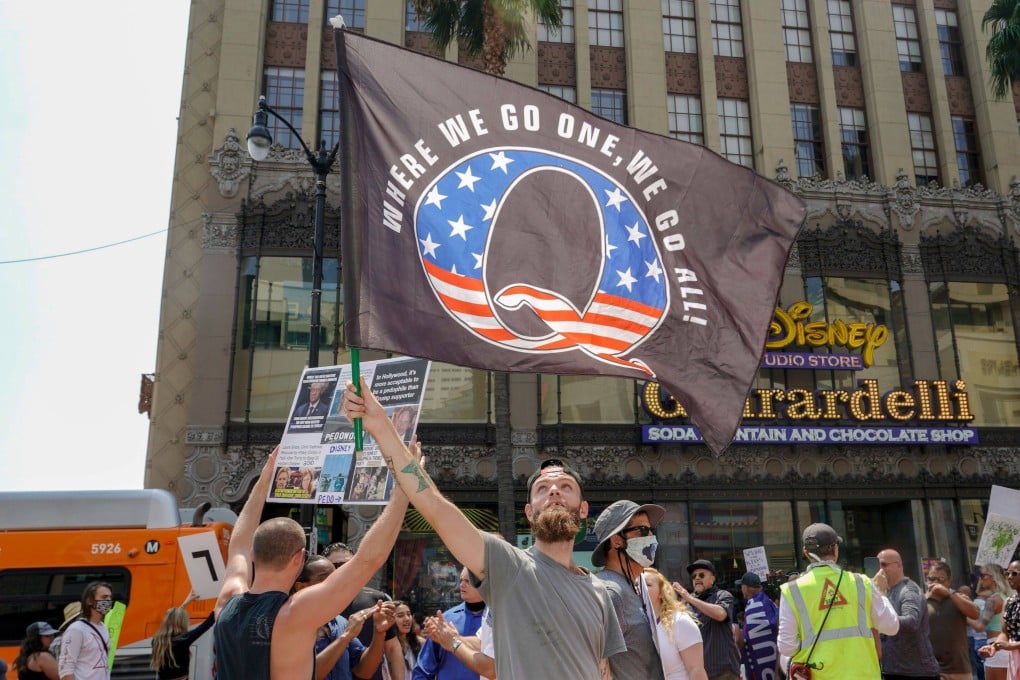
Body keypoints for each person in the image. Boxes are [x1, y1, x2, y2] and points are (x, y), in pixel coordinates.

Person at [342, 379, 626, 680]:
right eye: (543, 488)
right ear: (529, 513)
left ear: (583, 509)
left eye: (566, 486)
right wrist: (381, 426)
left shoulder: (599, 593)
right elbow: (437, 510)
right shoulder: (509, 566)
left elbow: (602, 670)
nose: (554, 491)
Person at [213, 445, 410, 680]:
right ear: (299, 559)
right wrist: (404, 489)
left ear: (253, 555)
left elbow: (238, 545)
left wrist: (265, 480)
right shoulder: (296, 612)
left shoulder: (227, 602)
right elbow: (367, 560)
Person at [777, 523, 899, 679]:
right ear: (835, 549)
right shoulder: (862, 583)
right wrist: (881, 593)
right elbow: (892, 627)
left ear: (805, 552)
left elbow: (786, 648)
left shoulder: (792, 591)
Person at [591, 499, 666, 680]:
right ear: (617, 541)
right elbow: (597, 663)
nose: (651, 537)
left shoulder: (634, 587)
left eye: (651, 531)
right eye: (642, 531)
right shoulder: (610, 593)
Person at [293, 554, 391, 680]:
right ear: (301, 587)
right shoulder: (290, 625)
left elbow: (363, 671)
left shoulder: (340, 622)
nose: (334, 585)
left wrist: (379, 633)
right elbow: (308, 675)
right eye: (325, 580)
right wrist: (346, 637)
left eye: (335, 579)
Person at [323, 541, 407, 680]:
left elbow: (392, 648)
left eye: (349, 565)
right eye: (337, 565)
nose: (343, 570)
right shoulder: (314, 604)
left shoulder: (377, 600)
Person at [872, 548, 939, 680]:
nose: (880, 570)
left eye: (884, 565)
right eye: (877, 565)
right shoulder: (885, 591)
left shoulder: (909, 590)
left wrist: (885, 622)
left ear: (898, 565)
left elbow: (911, 622)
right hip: (893, 670)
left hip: (916, 671)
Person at [673, 559, 741, 680]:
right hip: (700, 672)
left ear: (712, 579)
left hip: (724, 672)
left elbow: (720, 614)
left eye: (702, 575)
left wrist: (688, 597)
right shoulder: (687, 604)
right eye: (694, 576)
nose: (697, 578)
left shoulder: (722, 595)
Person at [413, 568, 486, 680]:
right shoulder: (446, 620)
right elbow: (423, 670)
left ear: (483, 584)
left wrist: (453, 640)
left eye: (468, 581)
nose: (462, 585)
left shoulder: (498, 620)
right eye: (460, 580)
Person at [644, 567, 708, 680]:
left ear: (661, 593)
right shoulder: (638, 625)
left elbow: (696, 670)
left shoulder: (679, 621)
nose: (640, 588)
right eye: (636, 584)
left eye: (648, 585)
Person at [927, 560, 980, 680]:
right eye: (931, 578)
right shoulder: (921, 601)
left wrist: (950, 594)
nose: (935, 583)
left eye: (940, 579)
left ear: (949, 582)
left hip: (959, 669)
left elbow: (975, 614)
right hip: (932, 670)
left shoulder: (958, 598)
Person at [151, 591, 215, 679]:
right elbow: (208, 623)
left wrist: (185, 603)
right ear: (181, 623)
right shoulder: (183, 640)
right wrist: (221, 601)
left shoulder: (156, 641)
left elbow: (172, 618)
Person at [58, 581, 113, 680]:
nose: (108, 601)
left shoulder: (103, 628)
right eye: (104, 597)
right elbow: (66, 670)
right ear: (89, 601)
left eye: (110, 597)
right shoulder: (76, 629)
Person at [978, 560, 1020, 675]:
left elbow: (980, 626)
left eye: (1015, 573)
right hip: (1012, 657)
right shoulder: (1009, 602)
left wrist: (1011, 645)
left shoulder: (995, 599)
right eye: (1007, 573)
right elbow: (1004, 633)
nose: (1010, 577)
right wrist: (994, 647)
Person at [736, 572, 779, 680]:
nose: (741, 589)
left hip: (762, 668)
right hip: (774, 665)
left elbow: (747, 640)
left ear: (746, 588)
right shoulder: (767, 601)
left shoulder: (754, 607)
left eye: (741, 586)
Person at [973, 565, 1012, 680]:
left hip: (995, 647)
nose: (980, 579)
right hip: (1007, 646)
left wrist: (964, 616)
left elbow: (980, 627)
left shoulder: (993, 600)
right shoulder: (1006, 597)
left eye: (982, 576)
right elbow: (979, 592)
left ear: (993, 577)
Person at [393, 602, 424, 676]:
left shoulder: (421, 643)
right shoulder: (386, 646)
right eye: (400, 616)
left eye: (408, 614)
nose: (407, 619)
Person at [966, 585, 988, 680]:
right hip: (979, 639)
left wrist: (965, 617)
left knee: (982, 669)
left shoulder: (979, 603)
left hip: (981, 640)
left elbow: (980, 626)